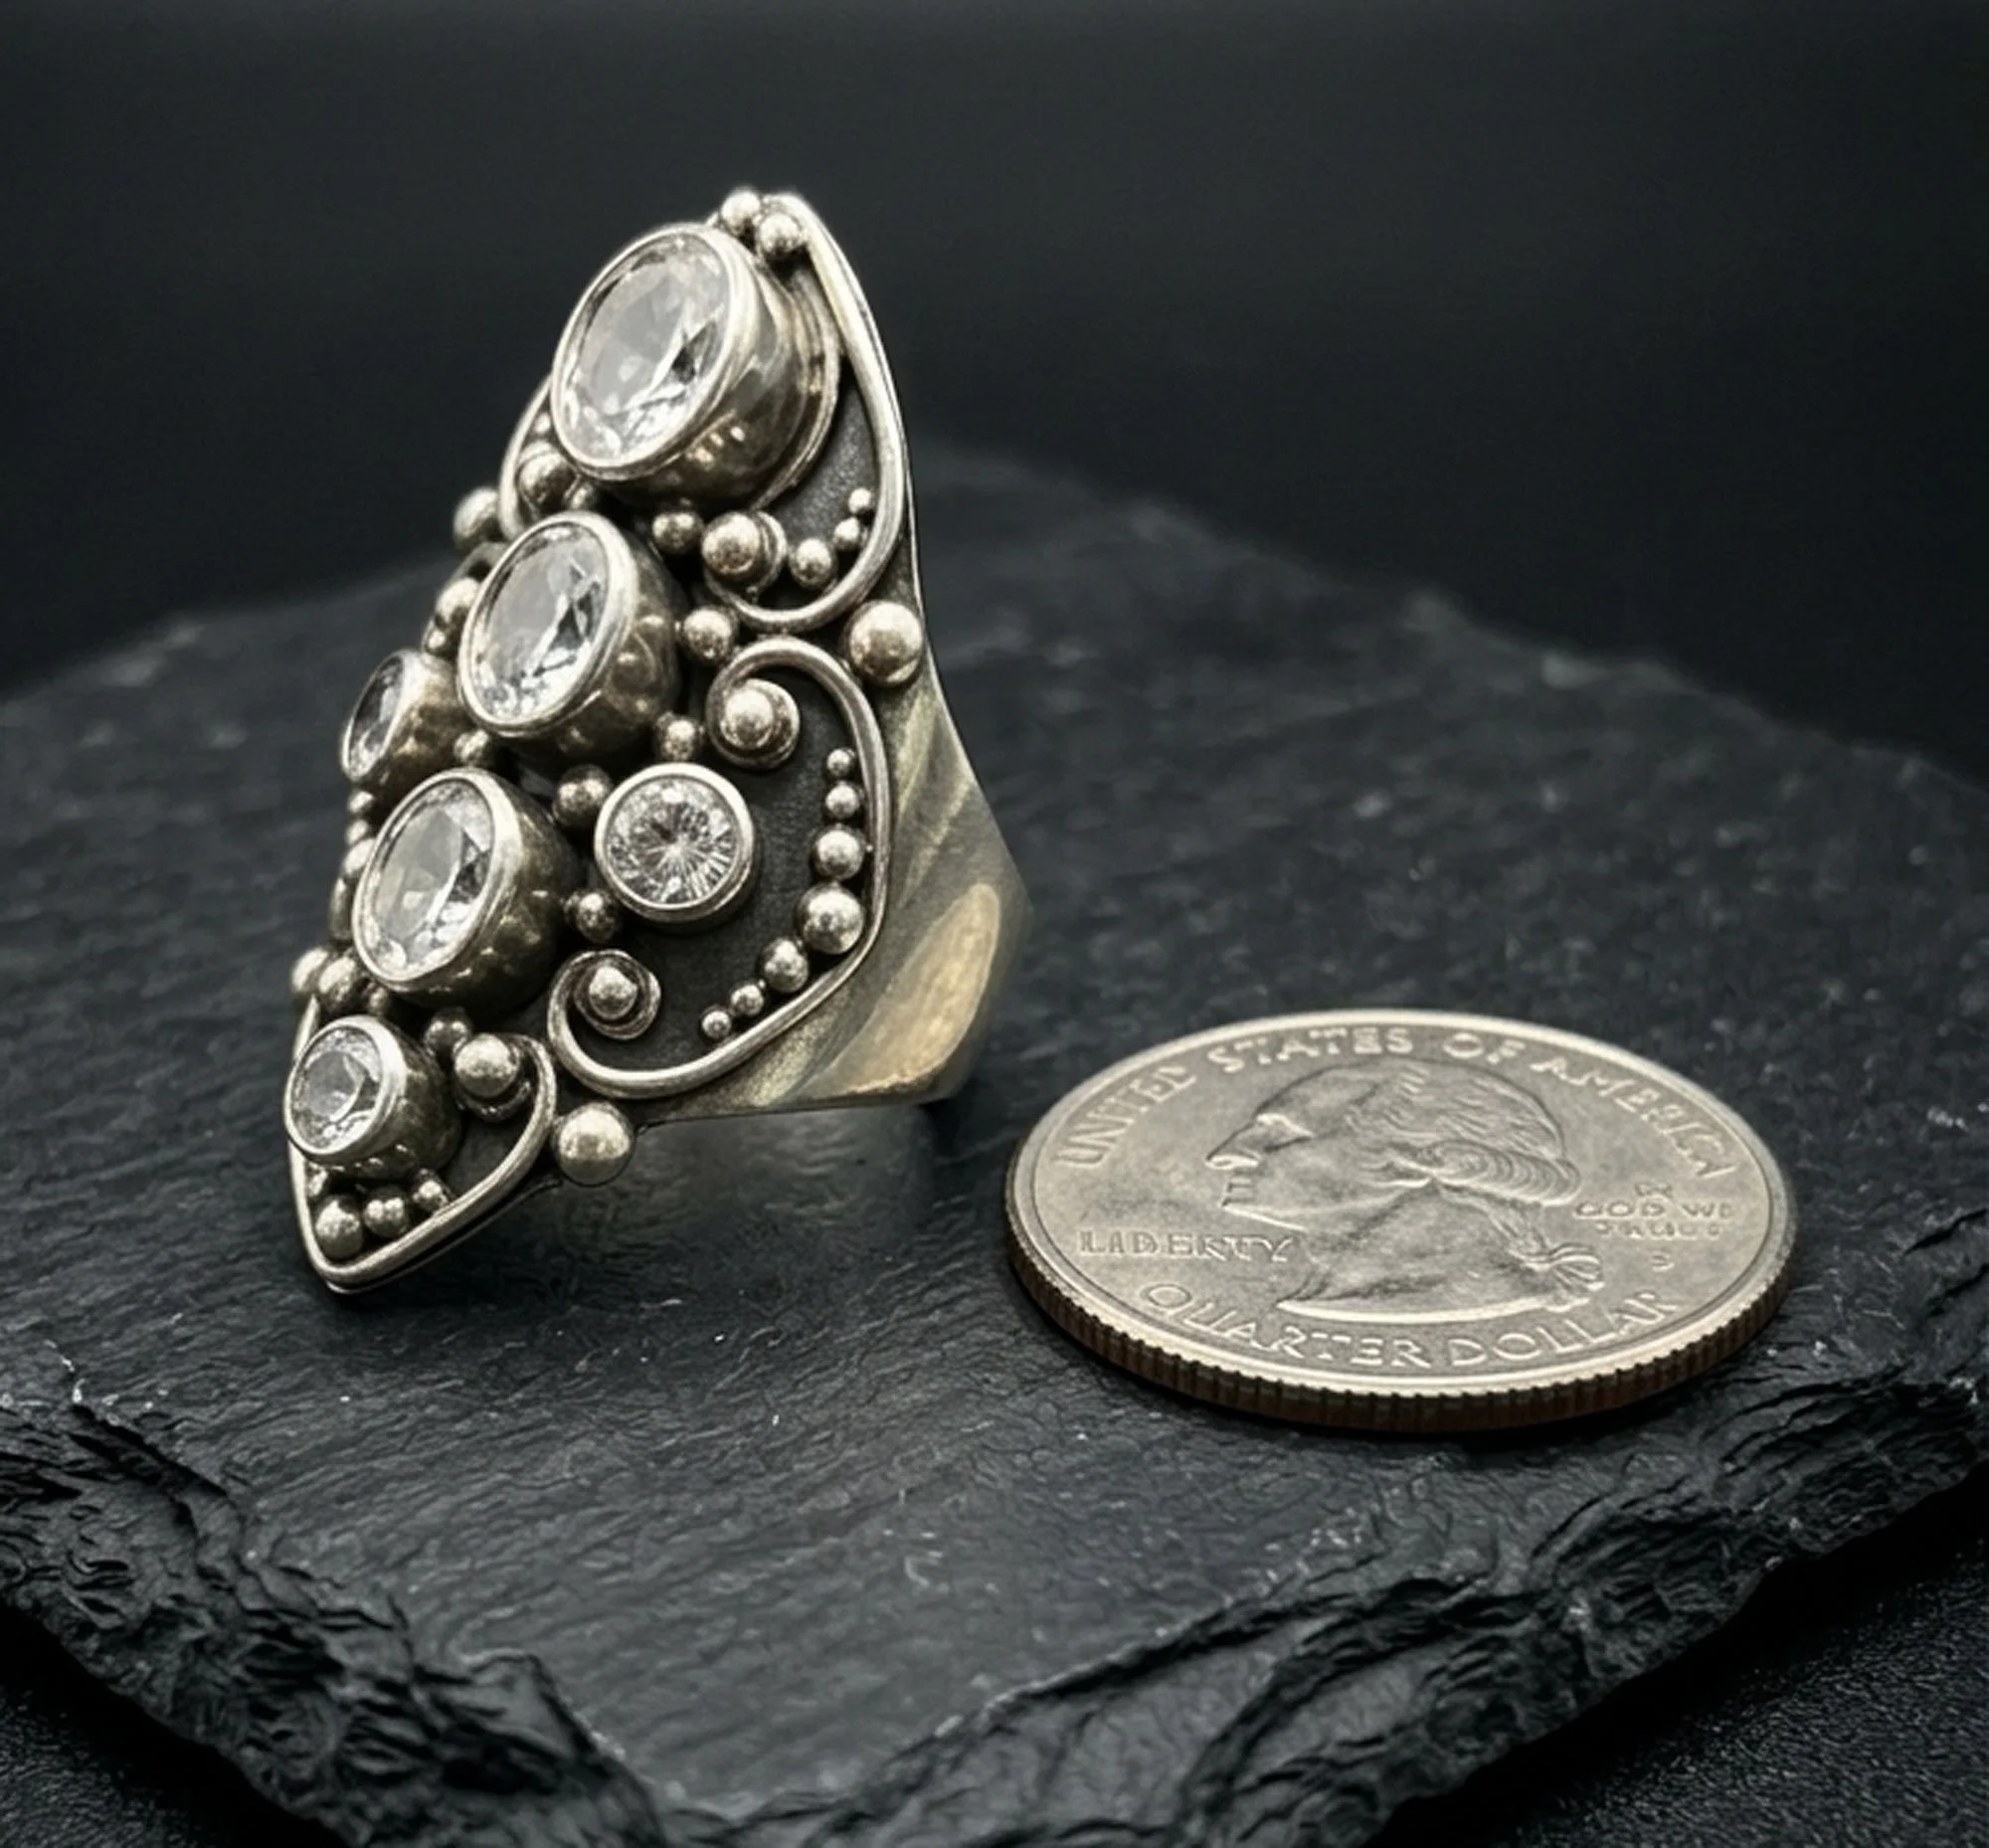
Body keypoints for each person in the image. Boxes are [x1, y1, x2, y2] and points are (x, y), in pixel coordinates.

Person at [1206, 1059, 1601, 1319]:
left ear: (1423, 1158)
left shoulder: (1448, 1299)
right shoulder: (1340, 1297)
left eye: (1279, 1132)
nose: (1224, 1156)